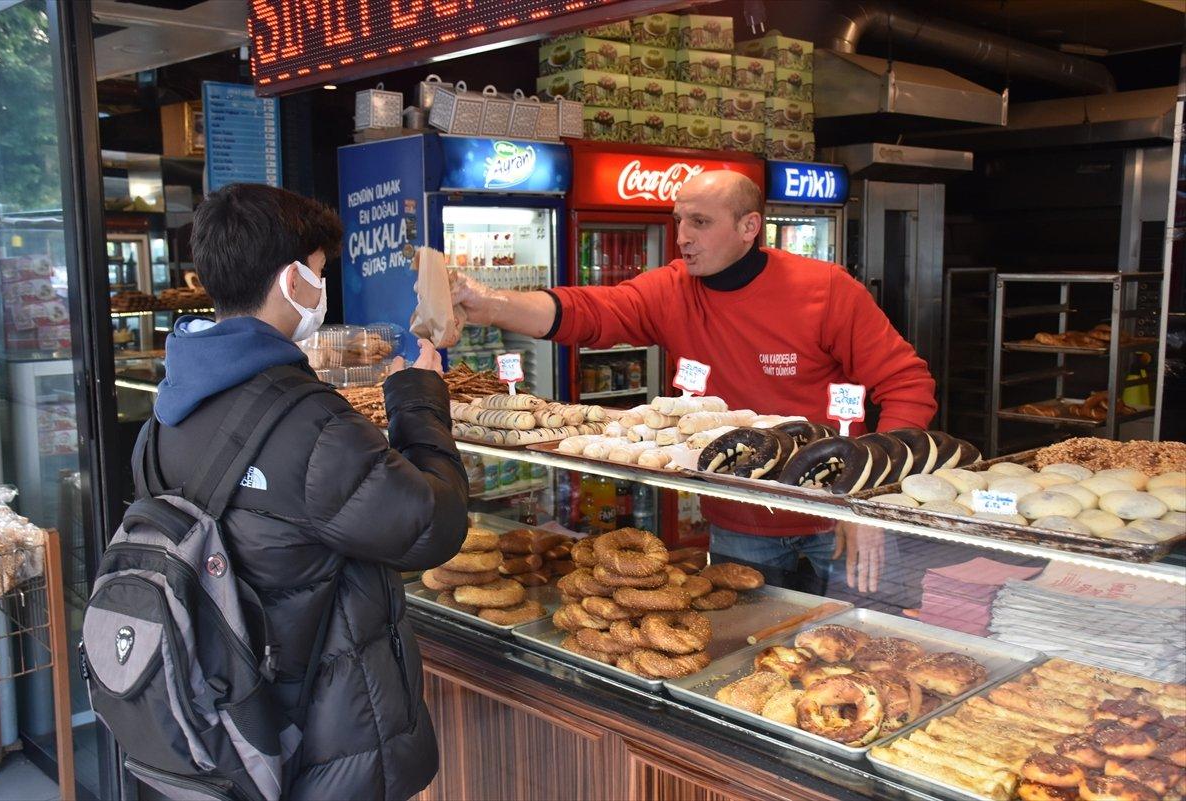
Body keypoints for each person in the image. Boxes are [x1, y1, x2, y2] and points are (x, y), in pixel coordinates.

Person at [451, 170, 936, 595]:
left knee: (847, 658)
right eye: (679, 220)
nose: (682, 236)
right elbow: (588, 311)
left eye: (700, 223)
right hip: (740, 521)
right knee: (754, 657)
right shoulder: (671, 288)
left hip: (839, 519)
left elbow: (907, 384)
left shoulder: (825, 290)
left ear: (749, 227)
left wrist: (874, 499)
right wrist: (488, 303)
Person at [148, 183, 468, 800]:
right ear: (293, 281)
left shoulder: (168, 408)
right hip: (321, 736)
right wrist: (419, 401)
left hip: (221, 710)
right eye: (319, 273)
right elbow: (432, 524)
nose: (323, 289)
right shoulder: (309, 422)